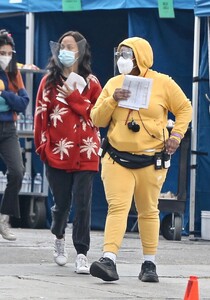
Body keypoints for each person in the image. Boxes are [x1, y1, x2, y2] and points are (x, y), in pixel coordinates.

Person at [89, 37, 192, 282]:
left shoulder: (162, 83)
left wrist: (176, 135)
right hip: (116, 158)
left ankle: (149, 264)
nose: (121, 59)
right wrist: (113, 99)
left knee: (148, 211)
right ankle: (108, 259)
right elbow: (97, 119)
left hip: (150, 159)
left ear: (141, 56)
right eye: (120, 54)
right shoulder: (114, 83)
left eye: (127, 54)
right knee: (118, 207)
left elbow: (185, 108)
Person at [34, 31, 102, 274]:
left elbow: (98, 115)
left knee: (83, 203)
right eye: (61, 45)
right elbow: (40, 116)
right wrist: (42, 147)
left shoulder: (92, 83)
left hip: (86, 150)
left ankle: (82, 253)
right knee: (62, 204)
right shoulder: (49, 82)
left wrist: (75, 98)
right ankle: (59, 235)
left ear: (80, 51)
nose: (65, 49)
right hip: (57, 152)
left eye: (70, 46)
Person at [0, 29, 29, 241]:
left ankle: (4, 218)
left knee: (17, 171)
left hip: (9, 128)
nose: (6, 57)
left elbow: (23, 102)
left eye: (9, 53)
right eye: (2, 52)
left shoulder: (14, 73)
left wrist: (5, 95)